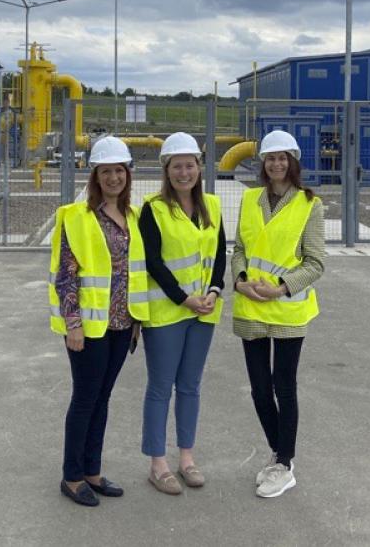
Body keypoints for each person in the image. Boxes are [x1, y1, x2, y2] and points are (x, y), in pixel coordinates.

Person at [48, 136, 150, 507]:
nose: (113, 177)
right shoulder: (76, 216)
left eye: (119, 170)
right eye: (106, 171)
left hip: (122, 326)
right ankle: (72, 476)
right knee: (85, 399)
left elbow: (133, 273)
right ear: (95, 175)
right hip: (89, 328)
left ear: (127, 174)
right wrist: (72, 323)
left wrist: (137, 318)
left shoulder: (133, 217)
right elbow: (65, 275)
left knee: (102, 399)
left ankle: (92, 470)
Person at [230, 129, 325, 498]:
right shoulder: (250, 199)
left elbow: (316, 263)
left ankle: (285, 463)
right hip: (251, 304)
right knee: (258, 388)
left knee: (284, 387)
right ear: (262, 164)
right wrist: (239, 280)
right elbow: (239, 248)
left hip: (287, 310)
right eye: (271, 158)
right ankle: (278, 452)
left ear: (293, 162)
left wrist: (282, 287)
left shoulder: (309, 204)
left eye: (283, 158)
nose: (276, 164)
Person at [136, 132, 227, 495]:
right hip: (166, 314)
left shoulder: (213, 207)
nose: (184, 173)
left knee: (190, 386)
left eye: (190, 165)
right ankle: (157, 464)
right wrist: (184, 299)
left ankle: (186, 458)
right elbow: (153, 262)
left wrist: (215, 291)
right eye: (177, 166)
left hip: (204, 311)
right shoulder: (153, 209)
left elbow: (219, 255)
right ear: (166, 170)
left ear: (200, 168)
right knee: (160, 388)